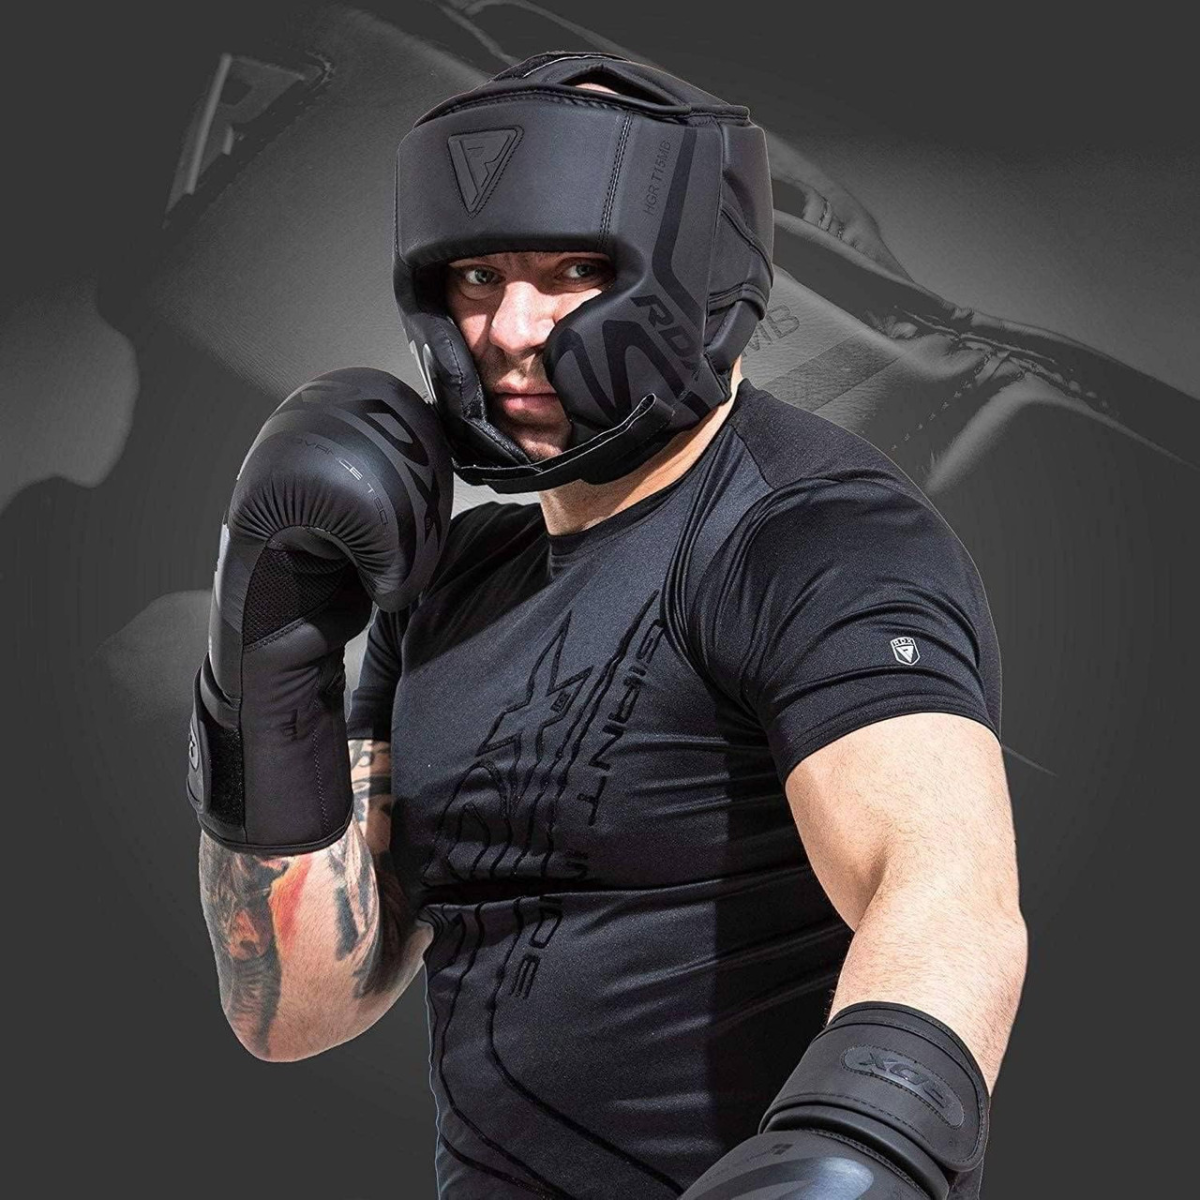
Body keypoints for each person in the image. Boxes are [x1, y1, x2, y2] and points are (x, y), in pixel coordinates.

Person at [188, 52, 1025, 1198]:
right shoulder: (452, 581)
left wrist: (863, 1150)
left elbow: (947, 897)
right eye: (477, 275)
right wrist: (267, 653)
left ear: (699, 276)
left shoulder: (811, 535)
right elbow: (295, 1008)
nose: (509, 328)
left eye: (574, 271)